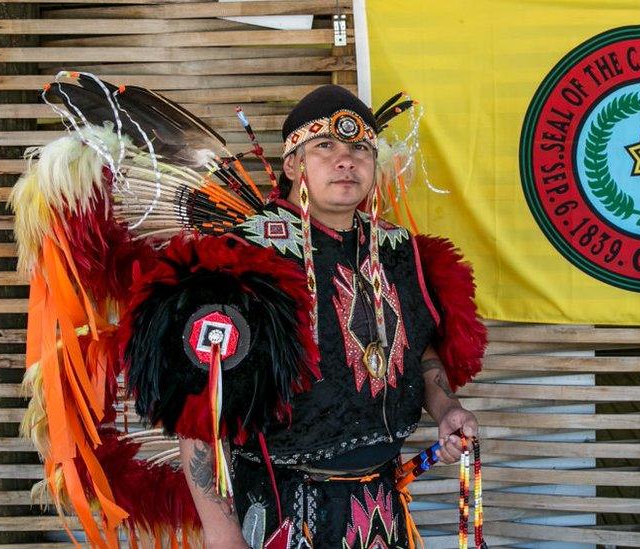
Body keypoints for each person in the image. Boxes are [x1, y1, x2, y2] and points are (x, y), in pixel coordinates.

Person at [173, 86, 487, 548]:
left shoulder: (398, 251)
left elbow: (420, 350)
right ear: (293, 164)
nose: (346, 161)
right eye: (325, 147)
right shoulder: (247, 255)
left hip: (380, 506)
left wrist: (446, 410)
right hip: (281, 507)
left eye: (360, 148)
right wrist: (223, 538)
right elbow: (199, 409)